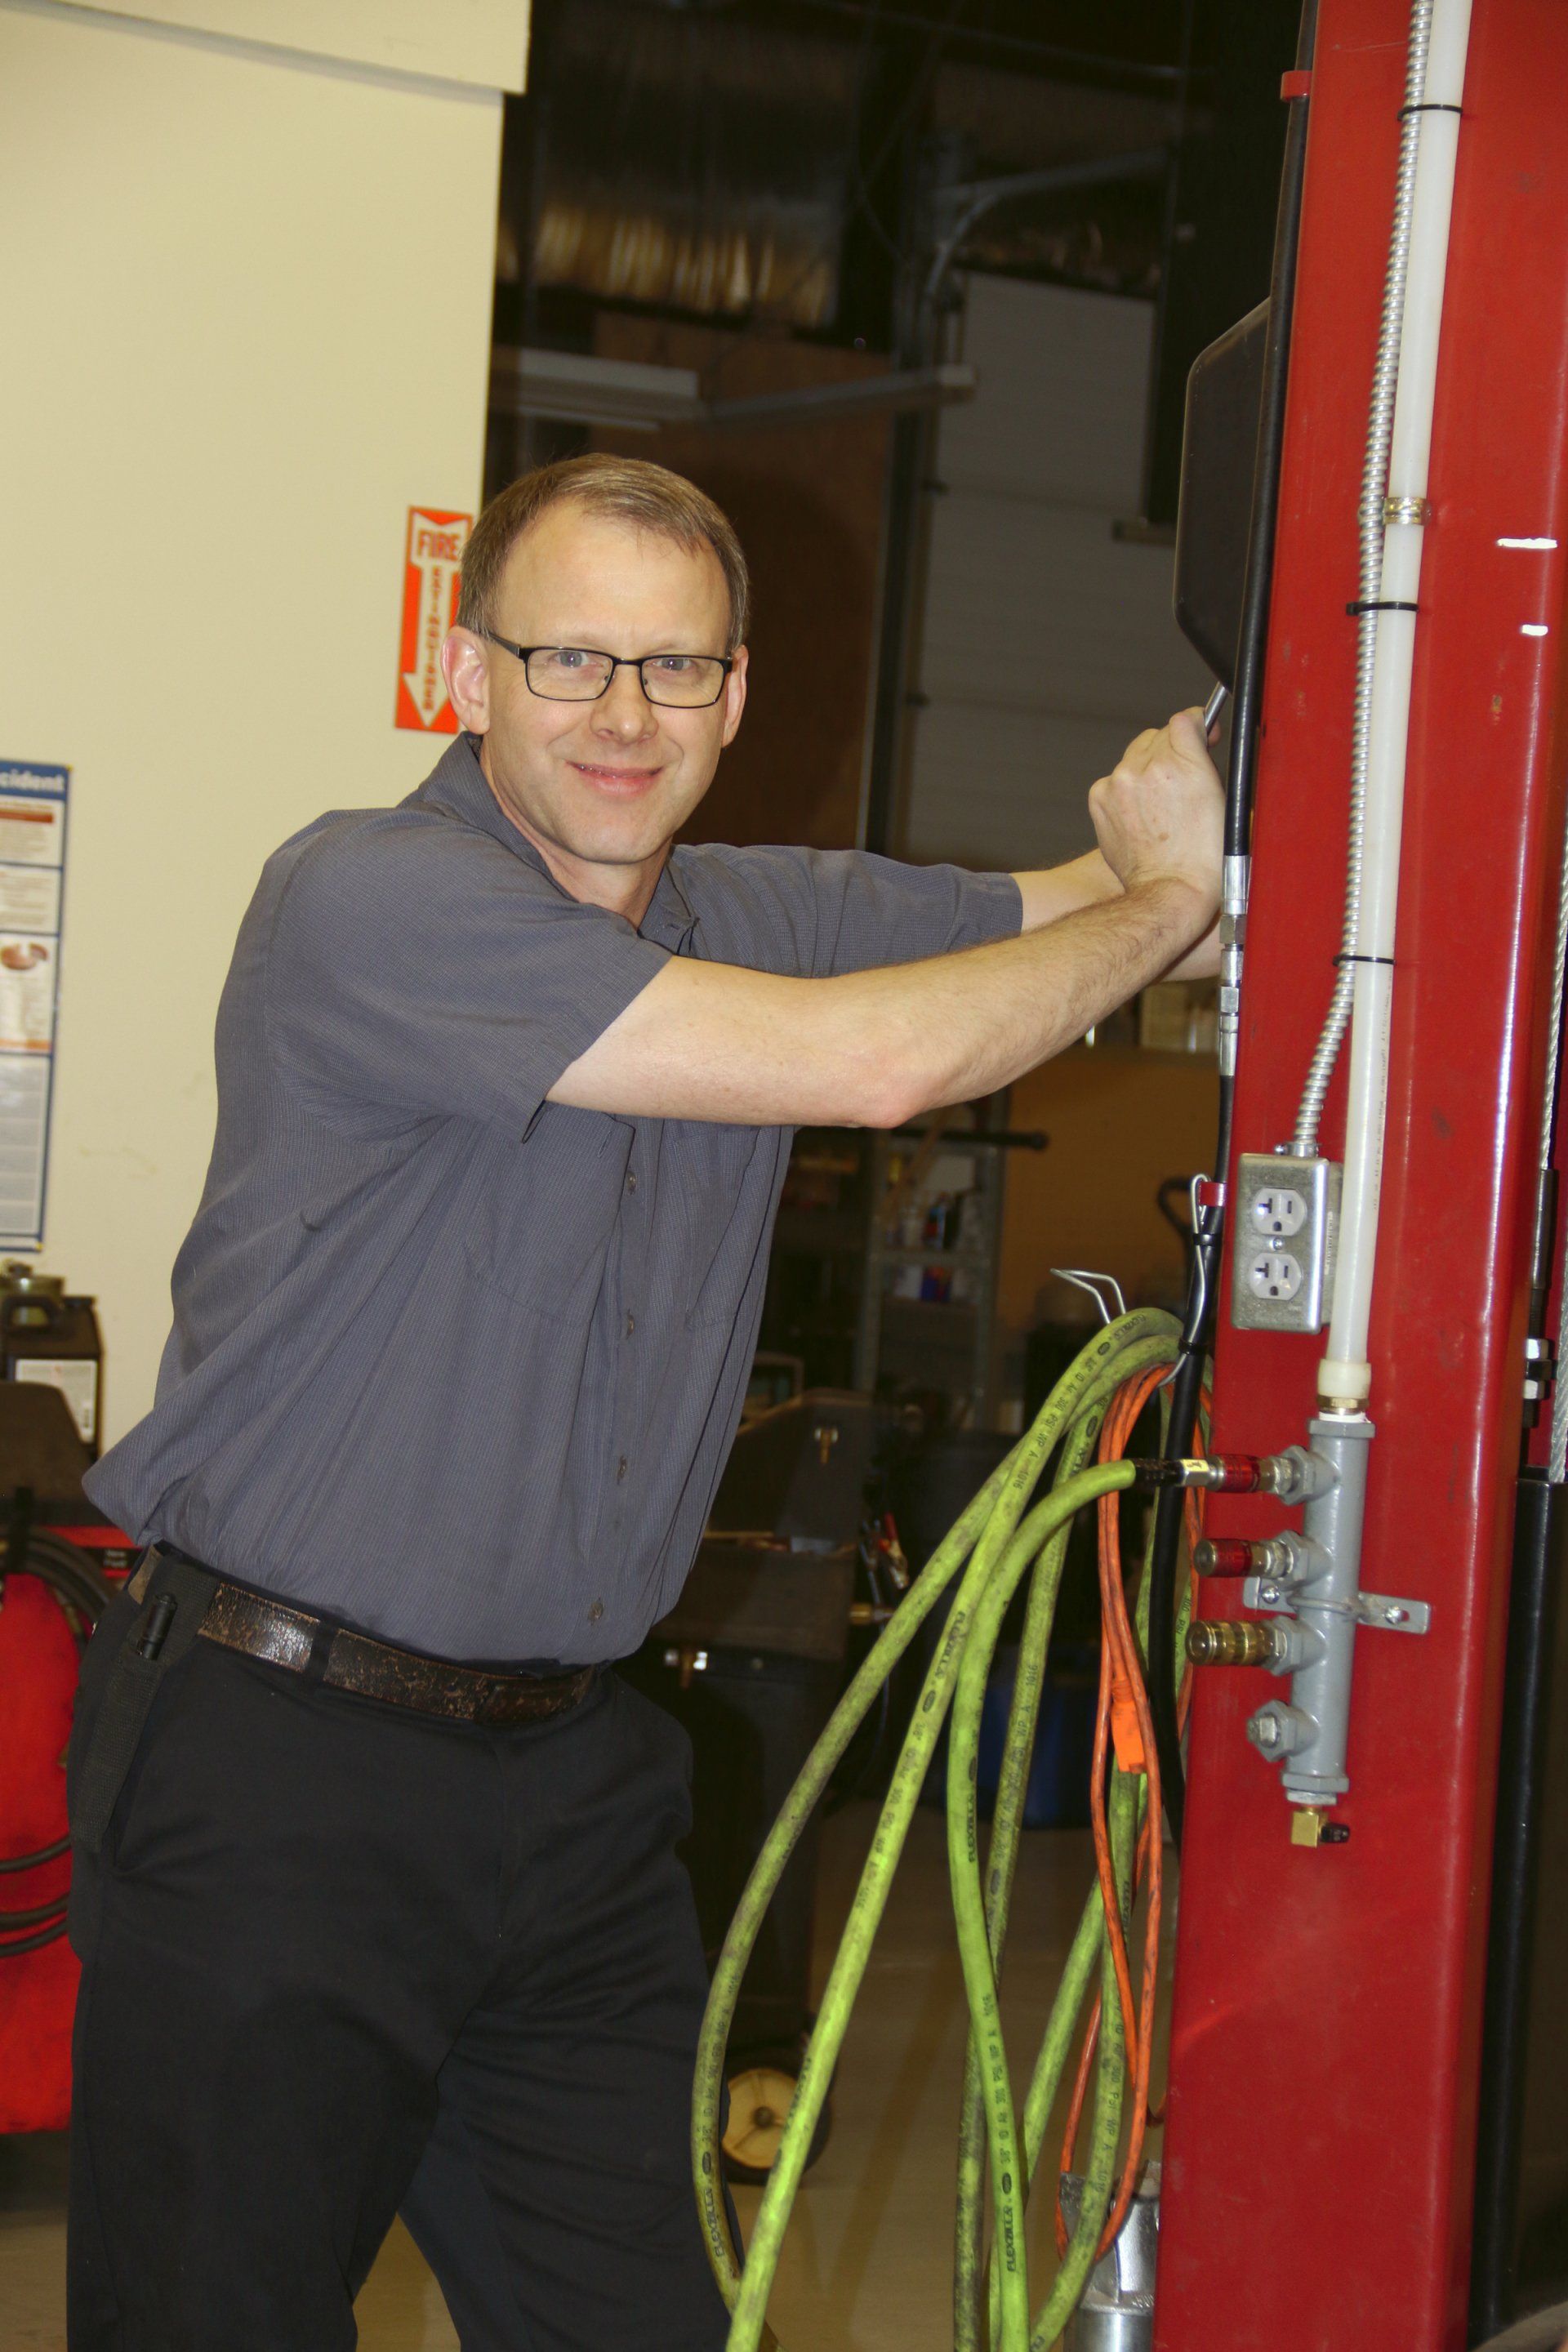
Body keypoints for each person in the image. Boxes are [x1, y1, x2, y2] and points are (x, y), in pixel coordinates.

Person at [65, 453, 1223, 2352]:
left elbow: (1086, 908)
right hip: (283, 1764)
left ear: (736, 696)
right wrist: (1169, 895)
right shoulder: (372, 897)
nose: (623, 716)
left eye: (675, 670)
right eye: (571, 659)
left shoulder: (754, 910)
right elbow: (880, 1063)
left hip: (570, 1787)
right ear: (469, 672)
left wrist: (1199, 838)